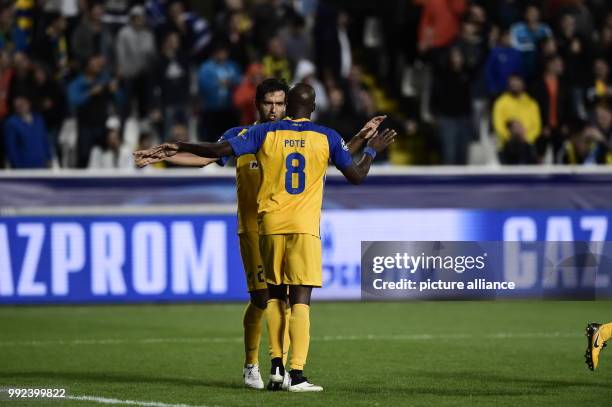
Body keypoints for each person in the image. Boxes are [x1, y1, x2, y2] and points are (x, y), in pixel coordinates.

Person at [134, 83, 396, 392]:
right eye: (269, 103)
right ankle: (253, 365)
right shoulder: (245, 135)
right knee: (263, 299)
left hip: (271, 224)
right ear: (258, 104)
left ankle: (280, 367)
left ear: (288, 105)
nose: (274, 108)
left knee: (278, 298)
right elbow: (208, 157)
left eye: (280, 103)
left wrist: (359, 138)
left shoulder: (276, 137)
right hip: (252, 227)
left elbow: (324, 155)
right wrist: (169, 155)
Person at [3, 95, 52, 168]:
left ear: (28, 104)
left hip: (41, 163)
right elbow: (11, 148)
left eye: (22, 104)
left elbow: (45, 140)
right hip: (24, 166)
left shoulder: (38, 119)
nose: (20, 107)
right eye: (18, 106)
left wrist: (49, 158)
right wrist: (17, 165)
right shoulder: (11, 123)